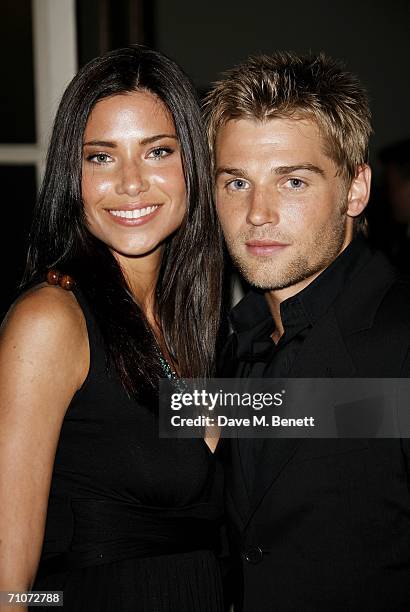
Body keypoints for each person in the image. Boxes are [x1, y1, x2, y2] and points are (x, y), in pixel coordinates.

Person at [0, 46, 225, 612]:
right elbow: (8, 585)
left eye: (157, 152)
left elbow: (309, 418)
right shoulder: (52, 321)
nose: (130, 183)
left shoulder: (198, 322)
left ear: (193, 163)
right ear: (71, 177)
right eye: (101, 158)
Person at [204, 52, 410, 611]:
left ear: (356, 189)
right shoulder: (234, 342)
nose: (258, 214)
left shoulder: (398, 342)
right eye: (236, 182)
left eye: (292, 181)